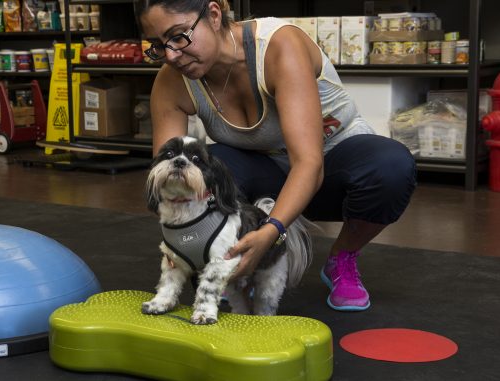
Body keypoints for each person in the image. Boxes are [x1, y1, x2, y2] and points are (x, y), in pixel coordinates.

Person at [134, 0, 417, 312]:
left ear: (214, 15)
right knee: (208, 166)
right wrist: (190, 247)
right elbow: (164, 180)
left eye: (178, 36)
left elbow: (309, 163)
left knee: (390, 166)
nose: (172, 55)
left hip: (333, 167)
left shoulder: (280, 46)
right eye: (158, 46)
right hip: (263, 172)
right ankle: (232, 259)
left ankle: (343, 258)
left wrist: (272, 232)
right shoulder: (172, 80)